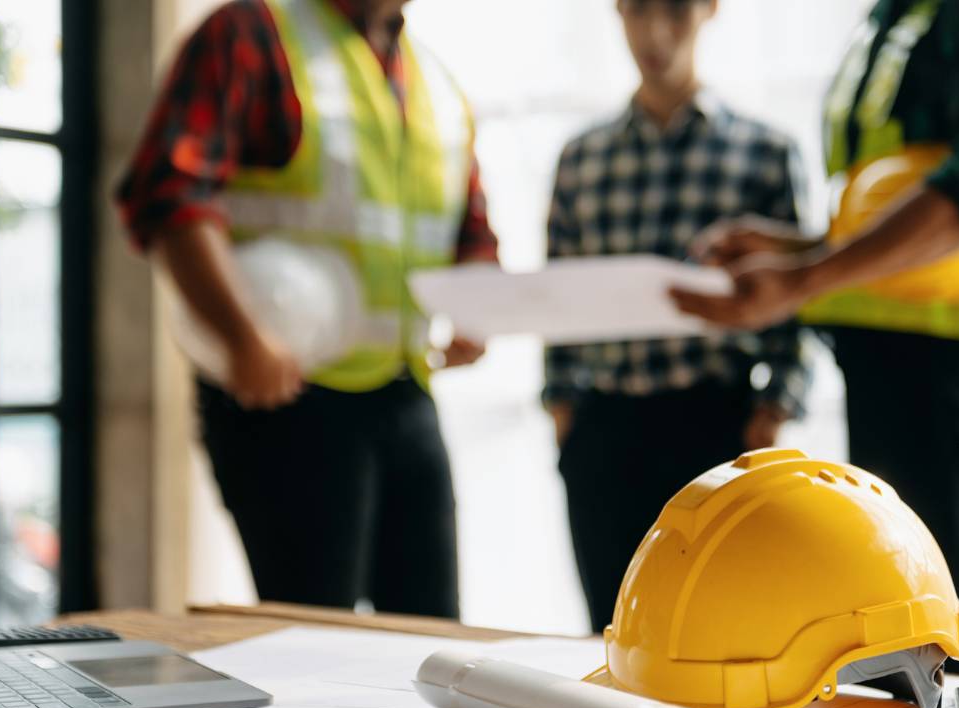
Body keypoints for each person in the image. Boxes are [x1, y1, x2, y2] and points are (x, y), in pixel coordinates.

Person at [675, 0, 959, 677]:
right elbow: (894, 207)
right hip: (885, 375)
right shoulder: (895, 17)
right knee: (898, 657)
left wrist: (804, 276)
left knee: (955, 660)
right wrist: (801, 249)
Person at [116, 0, 498, 618]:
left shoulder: (438, 86)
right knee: (314, 642)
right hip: (287, 401)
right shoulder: (252, 33)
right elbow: (171, 193)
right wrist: (242, 337)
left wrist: (478, 306)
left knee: (434, 636)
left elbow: (471, 230)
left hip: (405, 391)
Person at [544, 0, 810, 632]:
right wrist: (563, 414)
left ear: (709, 10)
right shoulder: (580, 159)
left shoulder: (766, 152)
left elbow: (796, 304)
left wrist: (776, 407)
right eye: (637, 11)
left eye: (675, 11)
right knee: (612, 632)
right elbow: (560, 298)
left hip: (715, 428)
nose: (654, 33)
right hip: (604, 429)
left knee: (720, 633)